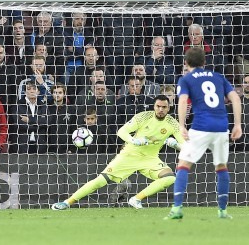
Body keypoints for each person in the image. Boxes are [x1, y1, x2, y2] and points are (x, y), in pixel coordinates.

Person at [51, 95, 185, 211]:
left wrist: (175, 145)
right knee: (100, 181)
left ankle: (136, 199)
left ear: (169, 108)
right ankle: (67, 202)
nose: (161, 110)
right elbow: (121, 131)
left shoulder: (173, 124)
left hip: (150, 159)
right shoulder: (143, 116)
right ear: (154, 106)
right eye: (158, 106)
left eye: (164, 107)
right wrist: (134, 140)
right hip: (129, 155)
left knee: (170, 178)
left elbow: (185, 147)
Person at [165, 47, 242, 220]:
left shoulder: (186, 79)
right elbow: (236, 98)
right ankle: (222, 211)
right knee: (221, 167)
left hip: (200, 127)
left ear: (186, 62)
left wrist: (182, 125)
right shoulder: (218, 77)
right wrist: (237, 124)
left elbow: (183, 100)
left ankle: (177, 208)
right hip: (222, 127)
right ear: (204, 62)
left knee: (183, 165)